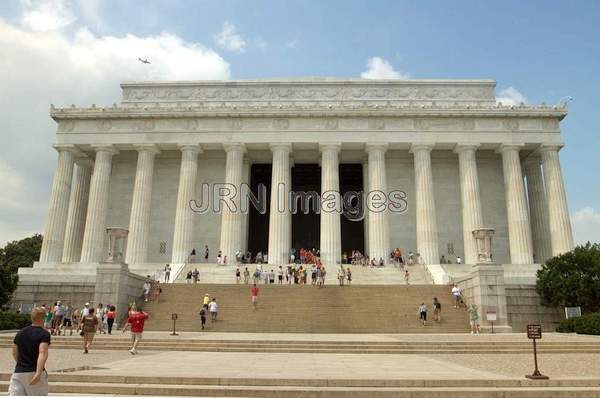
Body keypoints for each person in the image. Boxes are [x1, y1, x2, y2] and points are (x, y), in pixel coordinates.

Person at [9, 307, 51, 396]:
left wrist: (21, 364)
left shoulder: (20, 333)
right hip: (34, 372)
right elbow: (42, 352)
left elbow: (14, 352)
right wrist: (38, 372)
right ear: (43, 318)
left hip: (19, 373)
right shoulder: (44, 334)